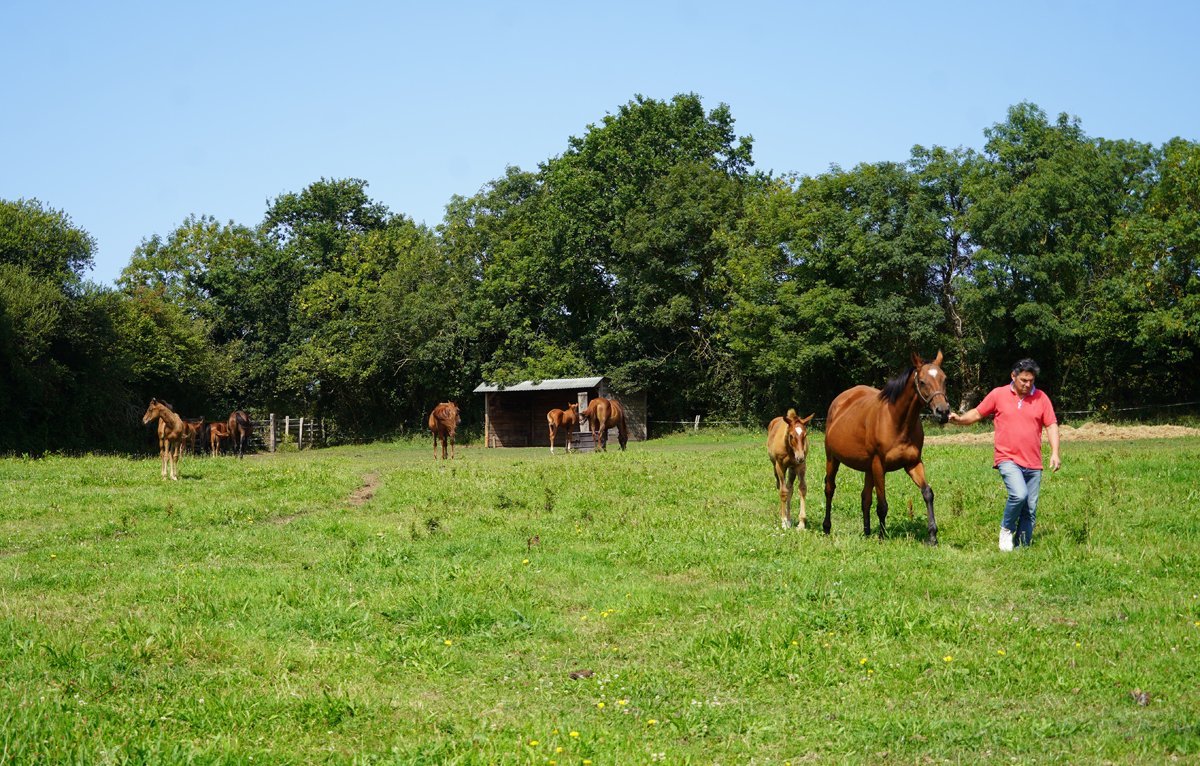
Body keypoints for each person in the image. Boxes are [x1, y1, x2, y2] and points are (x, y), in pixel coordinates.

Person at [948, 358, 1061, 550]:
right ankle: (1007, 528)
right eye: (1023, 380)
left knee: (1029, 509)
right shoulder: (998, 394)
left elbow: (1051, 425)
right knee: (1019, 494)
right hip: (1007, 458)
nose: (1027, 384)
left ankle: (1021, 549)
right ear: (1013, 376)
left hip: (1034, 463)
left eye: (1031, 381)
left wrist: (1055, 453)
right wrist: (959, 420)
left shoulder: (1041, 398)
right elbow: (977, 413)